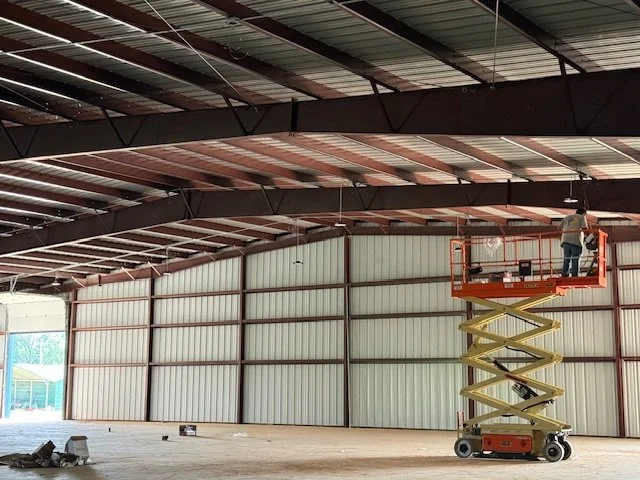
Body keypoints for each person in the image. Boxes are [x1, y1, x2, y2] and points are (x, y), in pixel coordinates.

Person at [559, 208, 588, 277]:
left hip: (565, 241)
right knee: (575, 259)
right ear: (584, 214)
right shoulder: (581, 217)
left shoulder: (567, 217)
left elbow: (559, 227)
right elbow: (585, 229)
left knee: (567, 259)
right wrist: (591, 235)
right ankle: (574, 275)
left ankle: (564, 275)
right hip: (575, 240)